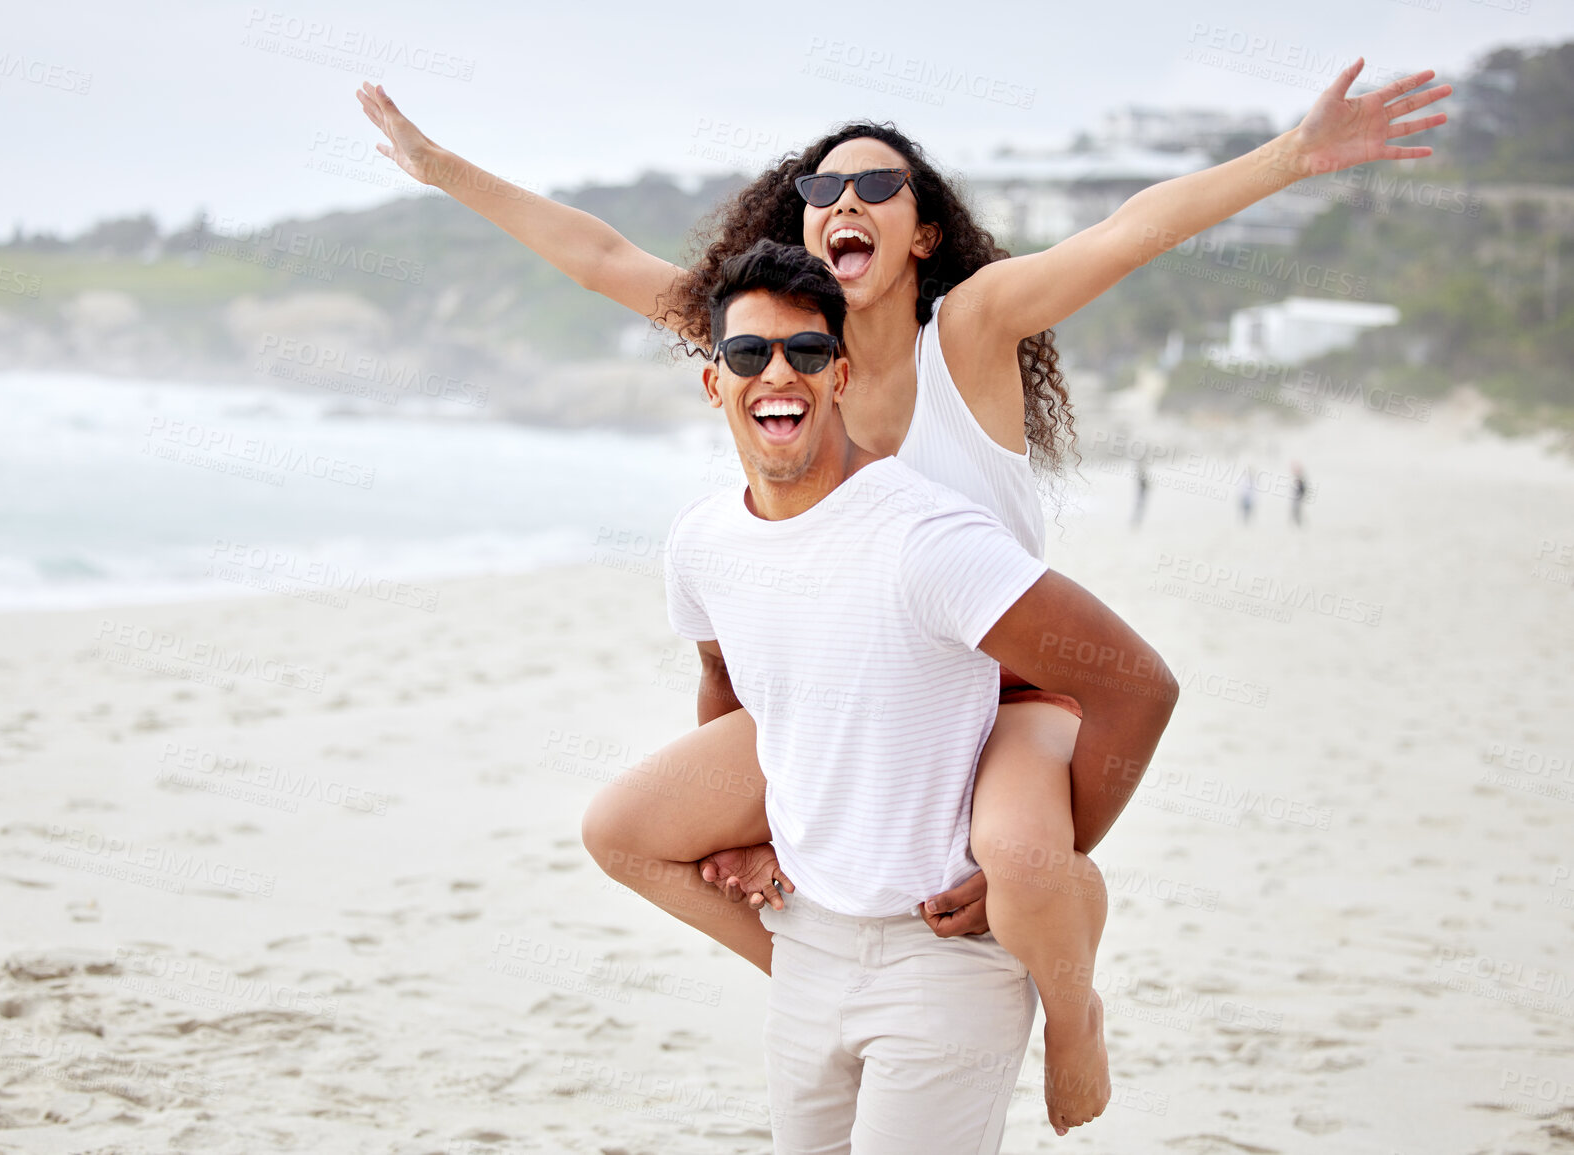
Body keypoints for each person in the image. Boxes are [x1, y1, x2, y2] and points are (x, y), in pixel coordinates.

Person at [356, 57, 1449, 1133]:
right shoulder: (780, 348)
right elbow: (597, 254)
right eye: (823, 188)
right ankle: (831, 976)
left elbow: (1128, 231)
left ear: (921, 231)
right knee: (626, 829)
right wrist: (440, 165)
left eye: (878, 186)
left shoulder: (968, 330)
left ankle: (1074, 1010)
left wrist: (1296, 156)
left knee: (1022, 864)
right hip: (853, 691)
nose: (845, 201)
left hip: (1006, 688)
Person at [669, 239, 1175, 1151]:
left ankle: (1073, 1004)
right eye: (748, 354)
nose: (775, 371)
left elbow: (1136, 686)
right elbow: (723, 680)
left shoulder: (926, 538)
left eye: (806, 353)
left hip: (942, 954)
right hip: (808, 943)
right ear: (715, 383)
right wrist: (746, 834)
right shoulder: (701, 543)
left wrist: (1049, 865)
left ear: (840, 376)